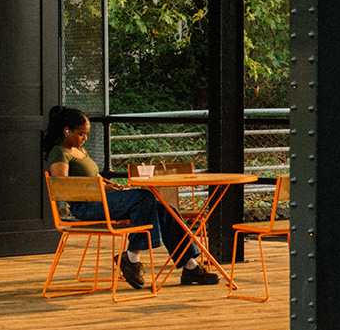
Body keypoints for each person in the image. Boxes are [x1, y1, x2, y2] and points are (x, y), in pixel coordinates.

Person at [43, 106, 219, 287]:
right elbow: (63, 187)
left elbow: (93, 178)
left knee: (166, 209)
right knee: (143, 197)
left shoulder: (79, 151)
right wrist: (99, 189)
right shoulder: (59, 152)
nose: (85, 139)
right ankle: (132, 258)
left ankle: (190, 267)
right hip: (87, 208)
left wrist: (109, 186)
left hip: (102, 200)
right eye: (81, 134)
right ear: (67, 131)